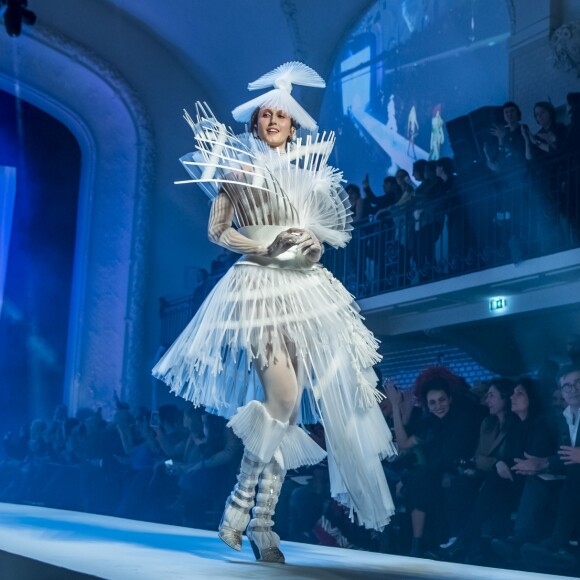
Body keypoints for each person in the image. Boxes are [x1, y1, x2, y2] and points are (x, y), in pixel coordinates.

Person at [153, 62, 396, 563]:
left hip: (304, 290)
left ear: (293, 125)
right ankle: (242, 505)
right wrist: (264, 249)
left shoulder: (310, 178)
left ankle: (262, 523)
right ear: (256, 121)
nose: (272, 121)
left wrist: (308, 244)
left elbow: (317, 246)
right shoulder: (237, 169)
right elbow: (219, 232)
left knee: (284, 411)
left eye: (280, 116)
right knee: (282, 396)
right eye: (264, 114)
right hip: (259, 285)